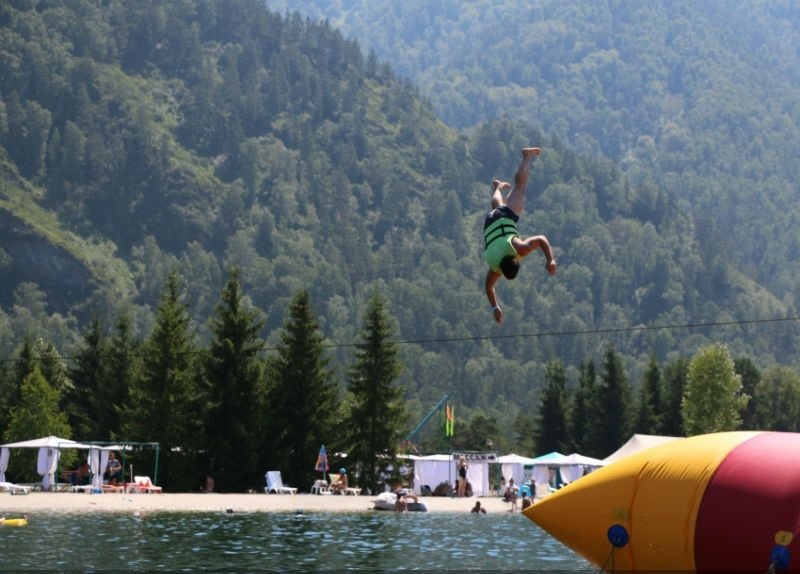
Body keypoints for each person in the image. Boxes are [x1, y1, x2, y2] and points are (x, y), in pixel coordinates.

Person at [483, 147, 557, 324]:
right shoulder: (494, 266)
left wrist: (550, 260)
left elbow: (541, 239)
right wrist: (494, 307)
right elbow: (488, 287)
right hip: (491, 221)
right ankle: (498, 187)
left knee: (520, 188)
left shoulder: (519, 249)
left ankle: (526, 157)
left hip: (503, 219)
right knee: (498, 206)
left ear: (515, 259)